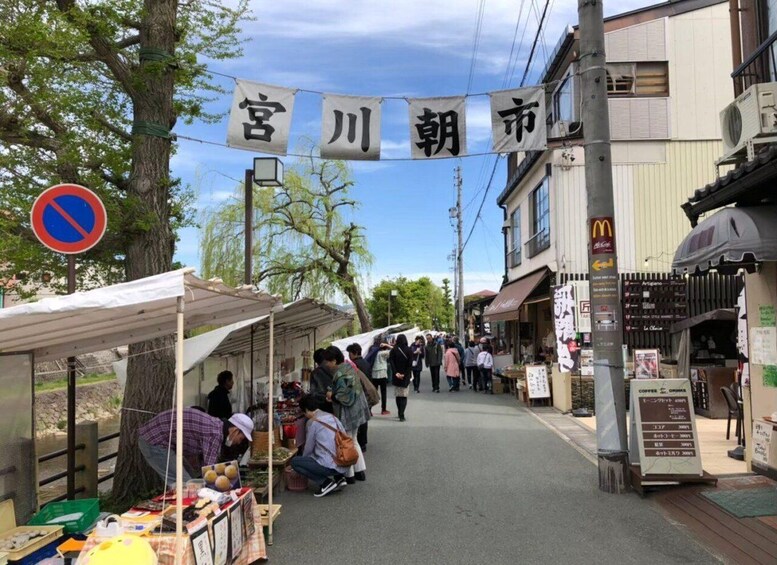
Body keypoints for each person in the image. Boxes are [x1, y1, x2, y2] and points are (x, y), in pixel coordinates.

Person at [138, 408, 253, 485]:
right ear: (235, 431)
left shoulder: (216, 425)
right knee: (185, 484)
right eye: (241, 438)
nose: (238, 443)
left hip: (164, 441)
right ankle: (185, 518)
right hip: (154, 439)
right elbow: (210, 471)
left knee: (193, 480)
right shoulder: (214, 433)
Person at [323, 346, 368, 482]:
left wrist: (332, 396)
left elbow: (342, 395)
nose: (327, 364)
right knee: (353, 440)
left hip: (348, 411)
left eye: (328, 361)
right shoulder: (349, 367)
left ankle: (350, 475)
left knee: (346, 442)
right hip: (358, 408)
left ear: (335, 360)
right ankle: (360, 472)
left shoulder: (340, 373)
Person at [290, 395, 348, 497]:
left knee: (295, 462)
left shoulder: (313, 423)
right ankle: (339, 477)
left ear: (307, 410)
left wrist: (303, 465)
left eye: (304, 413)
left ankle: (325, 483)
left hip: (330, 465)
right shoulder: (333, 418)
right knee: (329, 450)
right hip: (344, 461)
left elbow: (308, 449)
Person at [346, 343, 374, 452]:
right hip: (367, 396)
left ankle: (358, 443)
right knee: (364, 420)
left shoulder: (353, 365)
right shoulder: (366, 363)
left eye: (350, 353)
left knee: (358, 421)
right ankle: (363, 443)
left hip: (359, 396)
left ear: (355, 353)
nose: (349, 355)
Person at [389, 334, 413, 421]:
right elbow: (410, 364)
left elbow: (391, 361)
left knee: (398, 395)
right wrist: (405, 374)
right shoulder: (409, 350)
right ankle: (402, 414)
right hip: (405, 376)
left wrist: (396, 373)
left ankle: (399, 412)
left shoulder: (394, 350)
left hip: (396, 376)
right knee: (404, 396)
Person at [309, 348, 334, 413]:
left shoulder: (315, 373)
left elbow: (313, 393)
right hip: (337, 404)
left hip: (324, 407)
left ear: (316, 361)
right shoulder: (335, 367)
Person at [371, 343, 391, 414]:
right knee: (383, 392)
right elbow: (394, 350)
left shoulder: (373, 353)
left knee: (373, 393)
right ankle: (383, 409)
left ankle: (369, 409)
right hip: (382, 373)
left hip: (374, 374)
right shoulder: (383, 353)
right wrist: (388, 345)